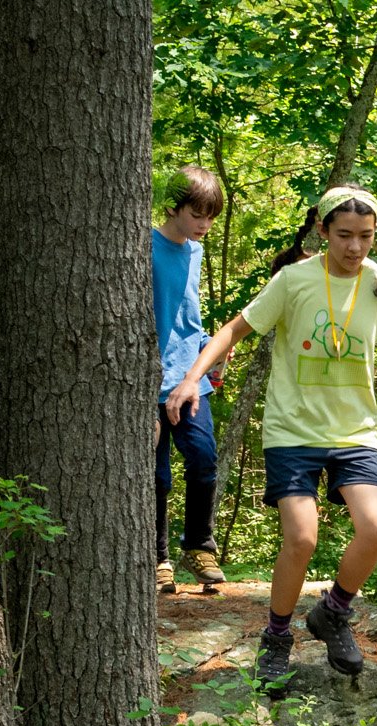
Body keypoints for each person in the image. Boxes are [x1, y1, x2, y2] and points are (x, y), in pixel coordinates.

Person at [165, 185, 377, 689]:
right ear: (322, 231)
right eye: (343, 236)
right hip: (292, 429)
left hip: (354, 430)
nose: (354, 247)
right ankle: (276, 637)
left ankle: (333, 612)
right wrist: (192, 378)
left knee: (375, 528)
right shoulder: (294, 279)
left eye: (364, 237)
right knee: (301, 537)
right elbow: (234, 329)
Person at [153, 165, 229, 594]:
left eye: (211, 216)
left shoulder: (196, 252)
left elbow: (187, 314)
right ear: (173, 207)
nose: (205, 224)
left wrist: (211, 347)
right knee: (156, 475)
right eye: (197, 214)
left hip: (191, 377)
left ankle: (199, 546)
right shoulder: (143, 244)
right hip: (147, 378)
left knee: (203, 461)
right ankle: (157, 558)